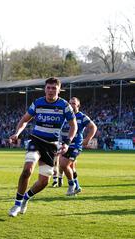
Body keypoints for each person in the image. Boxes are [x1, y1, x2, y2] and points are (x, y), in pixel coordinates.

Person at [8, 77, 78, 217]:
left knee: (44, 181)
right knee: (27, 170)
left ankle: (26, 198)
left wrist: (67, 142)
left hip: (51, 146)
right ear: (45, 89)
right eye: (48, 88)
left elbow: (73, 125)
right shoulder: (37, 103)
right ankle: (16, 203)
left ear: (59, 89)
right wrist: (17, 133)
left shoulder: (64, 105)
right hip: (36, 141)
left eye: (54, 88)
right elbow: (24, 120)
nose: (51, 90)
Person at [59, 97, 97, 196]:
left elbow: (93, 127)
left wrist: (87, 139)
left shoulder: (82, 116)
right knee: (71, 167)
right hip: (65, 145)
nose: (71, 105)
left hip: (76, 146)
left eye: (74, 103)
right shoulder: (65, 116)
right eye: (70, 103)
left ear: (78, 105)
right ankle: (77, 186)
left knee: (63, 165)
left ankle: (71, 186)